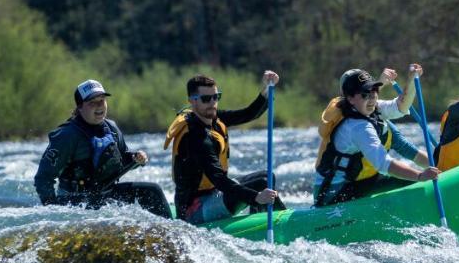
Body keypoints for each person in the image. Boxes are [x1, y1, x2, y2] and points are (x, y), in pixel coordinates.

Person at [34, 79, 172, 218]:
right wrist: (53, 212)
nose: (99, 106)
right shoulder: (66, 136)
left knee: (152, 191)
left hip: (105, 195)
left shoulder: (112, 128)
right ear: (80, 106)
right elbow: (43, 179)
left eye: (102, 101)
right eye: (92, 102)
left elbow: (123, 159)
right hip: (75, 202)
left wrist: (136, 158)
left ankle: (171, 232)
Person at [164, 71, 282, 224]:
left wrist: (268, 88)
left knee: (267, 178)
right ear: (192, 101)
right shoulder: (195, 138)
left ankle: (261, 221)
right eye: (206, 99)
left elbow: (248, 114)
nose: (212, 103)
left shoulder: (212, 118)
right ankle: (287, 224)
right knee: (259, 186)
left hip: (214, 194)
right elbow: (220, 180)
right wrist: (256, 197)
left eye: (216, 97)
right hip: (194, 211)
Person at [313, 65, 440, 206]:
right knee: (410, 180)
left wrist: (411, 81)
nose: (372, 97)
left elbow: (401, 106)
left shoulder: (373, 110)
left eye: (374, 91)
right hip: (332, 195)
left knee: (406, 180)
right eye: (365, 94)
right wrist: (420, 176)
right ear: (350, 98)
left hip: (357, 183)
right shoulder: (357, 127)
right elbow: (383, 164)